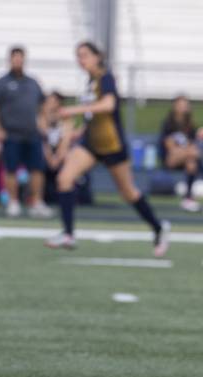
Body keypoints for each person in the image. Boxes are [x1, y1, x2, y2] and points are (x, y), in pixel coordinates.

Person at [45, 42, 170, 256]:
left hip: (112, 145)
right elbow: (94, 115)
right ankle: (68, 233)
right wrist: (80, 131)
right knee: (64, 179)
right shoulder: (90, 82)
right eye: (78, 56)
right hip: (92, 144)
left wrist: (74, 109)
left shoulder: (106, 77)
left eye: (84, 55)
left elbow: (108, 106)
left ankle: (158, 228)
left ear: (97, 56)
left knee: (128, 192)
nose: (80, 60)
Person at [0, 46, 52, 218]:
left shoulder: (33, 82)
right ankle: (13, 202)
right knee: (11, 169)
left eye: (20, 58)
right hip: (11, 133)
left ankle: (36, 201)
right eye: (14, 58)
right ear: (10, 60)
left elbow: (43, 105)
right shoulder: (1, 83)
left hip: (32, 133)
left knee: (37, 169)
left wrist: (44, 123)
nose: (17, 61)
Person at [159, 95, 203, 212]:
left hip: (185, 158)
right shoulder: (169, 124)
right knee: (193, 154)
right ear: (175, 106)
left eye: (185, 105)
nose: (183, 107)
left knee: (191, 162)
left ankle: (188, 199)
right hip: (170, 159)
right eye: (180, 105)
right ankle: (189, 195)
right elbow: (170, 148)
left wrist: (189, 150)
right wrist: (188, 151)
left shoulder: (190, 125)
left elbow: (192, 144)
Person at [41, 91, 77, 203]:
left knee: (69, 159)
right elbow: (43, 141)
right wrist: (50, 158)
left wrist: (56, 159)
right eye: (49, 102)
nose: (52, 105)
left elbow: (65, 142)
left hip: (59, 153)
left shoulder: (66, 120)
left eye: (55, 102)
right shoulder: (40, 118)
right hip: (45, 152)